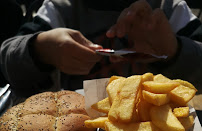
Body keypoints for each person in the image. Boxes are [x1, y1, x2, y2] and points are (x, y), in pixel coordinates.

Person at [1, 0, 202, 98]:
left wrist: (175, 50)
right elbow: (7, 60)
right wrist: (40, 49)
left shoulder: (168, 9)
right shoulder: (61, 7)